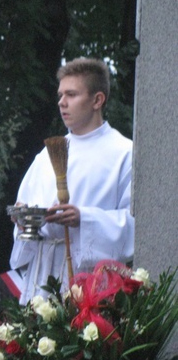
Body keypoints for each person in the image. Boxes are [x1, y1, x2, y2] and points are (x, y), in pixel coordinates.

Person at [9, 57, 134, 304]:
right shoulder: (47, 154)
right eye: (60, 94)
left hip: (92, 281)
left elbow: (136, 225)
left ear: (98, 100)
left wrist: (84, 219)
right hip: (42, 279)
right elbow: (26, 215)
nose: (61, 102)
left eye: (71, 94)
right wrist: (25, 222)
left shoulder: (124, 153)